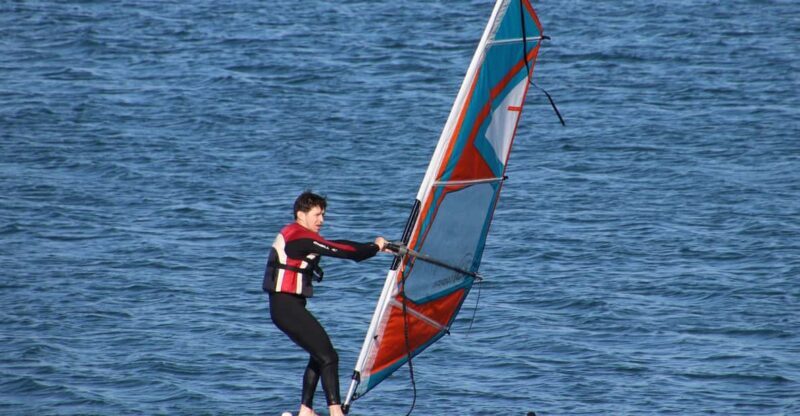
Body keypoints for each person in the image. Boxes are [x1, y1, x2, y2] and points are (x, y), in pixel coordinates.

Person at [263, 191, 387, 416]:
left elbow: (334, 244)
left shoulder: (298, 235)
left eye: (323, 215)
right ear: (301, 214)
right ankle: (335, 412)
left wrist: (370, 245)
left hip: (286, 307)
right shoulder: (300, 238)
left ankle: (306, 411)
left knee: (319, 354)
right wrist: (375, 248)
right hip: (286, 307)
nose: (322, 220)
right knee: (329, 357)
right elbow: (346, 252)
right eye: (317, 215)